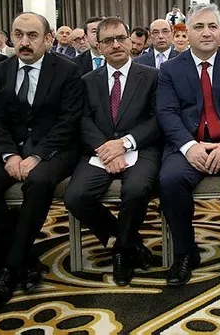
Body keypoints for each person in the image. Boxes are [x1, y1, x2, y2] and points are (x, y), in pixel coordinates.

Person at [0, 12, 83, 307]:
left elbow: (68, 122)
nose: (24, 42)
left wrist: (37, 156)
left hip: (55, 149)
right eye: (18, 35)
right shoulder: (0, 71)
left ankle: (9, 269)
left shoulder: (67, 70)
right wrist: (9, 155)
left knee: (38, 182)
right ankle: (25, 259)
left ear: (48, 39)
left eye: (32, 35)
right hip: (11, 149)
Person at [157, 3, 220, 290]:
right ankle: (185, 252)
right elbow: (166, 112)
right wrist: (189, 146)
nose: (207, 32)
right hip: (188, 144)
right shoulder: (170, 69)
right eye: (199, 27)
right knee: (170, 179)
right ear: (186, 32)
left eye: (213, 26)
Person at [64, 17, 160, 286]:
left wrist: (125, 143)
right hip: (100, 150)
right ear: (98, 45)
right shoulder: (86, 81)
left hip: (140, 148)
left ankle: (121, 253)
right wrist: (107, 149)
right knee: (75, 196)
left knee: (137, 190)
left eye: (120, 38)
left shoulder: (152, 76)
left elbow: (157, 119)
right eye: (108, 40)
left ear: (130, 41)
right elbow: (83, 120)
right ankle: (128, 241)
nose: (116, 45)